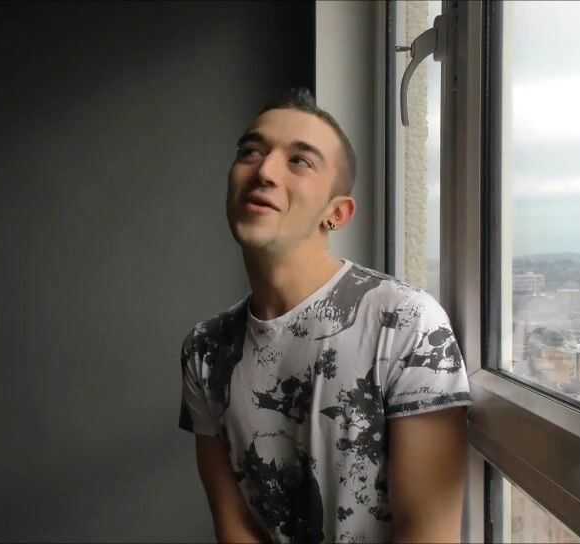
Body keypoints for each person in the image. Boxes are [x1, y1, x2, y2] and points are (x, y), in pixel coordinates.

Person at [177, 88, 473, 543]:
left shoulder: (406, 324)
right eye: (250, 151)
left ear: (337, 213)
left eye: (299, 161)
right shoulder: (206, 348)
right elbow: (234, 526)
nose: (264, 171)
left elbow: (429, 534)